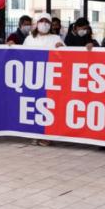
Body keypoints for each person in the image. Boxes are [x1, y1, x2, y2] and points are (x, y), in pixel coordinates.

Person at [23, 13, 65, 146]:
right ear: (37, 23)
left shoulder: (56, 38)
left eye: (47, 21)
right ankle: (34, 133)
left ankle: (48, 135)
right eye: (42, 20)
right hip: (32, 78)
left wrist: (61, 48)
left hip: (49, 78)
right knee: (32, 105)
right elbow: (20, 55)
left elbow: (66, 55)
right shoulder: (29, 39)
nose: (44, 23)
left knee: (49, 106)